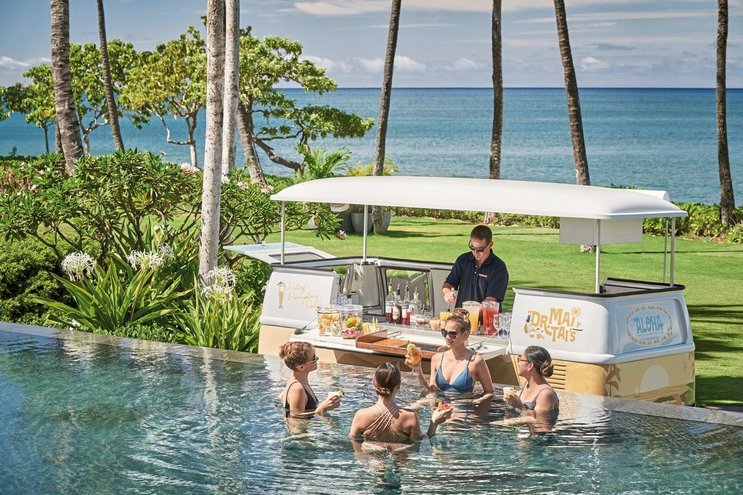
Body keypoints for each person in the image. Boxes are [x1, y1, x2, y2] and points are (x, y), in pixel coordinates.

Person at [349, 362, 452, 444]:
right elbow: (418, 444)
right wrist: (434, 423)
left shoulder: (361, 416)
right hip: (400, 460)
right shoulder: (410, 417)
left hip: (371, 461)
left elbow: (355, 444)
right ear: (399, 386)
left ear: (374, 383)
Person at [407, 314, 494, 400]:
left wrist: (476, 402)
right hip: (440, 407)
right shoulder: (437, 359)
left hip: (463, 407)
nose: (447, 337)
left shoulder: (476, 361)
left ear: (465, 335)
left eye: (452, 334)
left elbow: (489, 393)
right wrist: (418, 370)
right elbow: (432, 392)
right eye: (444, 333)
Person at [443, 224, 509, 308]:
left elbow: (491, 300)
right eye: (472, 247)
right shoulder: (463, 260)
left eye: (480, 249)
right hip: (461, 315)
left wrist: (471, 311)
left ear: (490, 244)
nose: (475, 252)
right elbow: (448, 283)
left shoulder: (498, 267)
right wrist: (447, 293)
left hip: (485, 316)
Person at [279, 342, 341, 418]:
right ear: (301, 367)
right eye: (313, 358)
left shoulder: (300, 381)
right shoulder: (297, 388)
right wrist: (322, 409)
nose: (317, 358)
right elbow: (295, 420)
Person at [504, 345, 559, 415]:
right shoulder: (526, 384)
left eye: (520, 359)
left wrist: (519, 407)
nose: (518, 363)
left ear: (530, 366)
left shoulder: (545, 394)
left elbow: (541, 421)